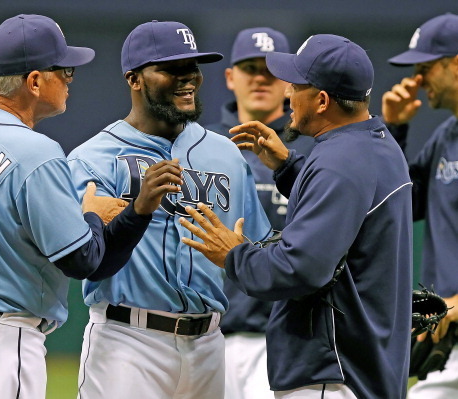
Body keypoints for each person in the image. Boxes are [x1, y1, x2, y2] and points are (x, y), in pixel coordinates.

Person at [0, 14, 183, 399]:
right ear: (35, 81)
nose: (71, 79)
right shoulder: (36, 152)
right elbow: (82, 260)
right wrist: (92, 212)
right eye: (65, 69)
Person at [179, 34, 413, 399]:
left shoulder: (339, 162)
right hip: (361, 366)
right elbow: (344, 205)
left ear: (321, 100)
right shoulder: (376, 144)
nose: (287, 91)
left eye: (297, 84)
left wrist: (234, 255)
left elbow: (300, 268)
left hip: (331, 371)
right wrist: (290, 167)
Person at [67, 20, 272, 399]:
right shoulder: (93, 158)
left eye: (192, 67)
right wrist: (138, 210)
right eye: (171, 69)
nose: (188, 79)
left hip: (209, 344)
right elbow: (89, 261)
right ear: (135, 79)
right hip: (128, 341)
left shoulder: (225, 153)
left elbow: (257, 249)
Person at [206, 27, 314, 399]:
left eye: (269, 70)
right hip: (206, 333)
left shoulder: (311, 149)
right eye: (249, 68)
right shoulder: (200, 146)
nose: (259, 79)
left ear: (288, 84)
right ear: (230, 77)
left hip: (284, 334)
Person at [382, 12, 458, 399]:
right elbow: (397, 207)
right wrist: (394, 130)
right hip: (447, 333)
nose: (417, 80)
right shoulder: (447, 136)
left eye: (426, 68)